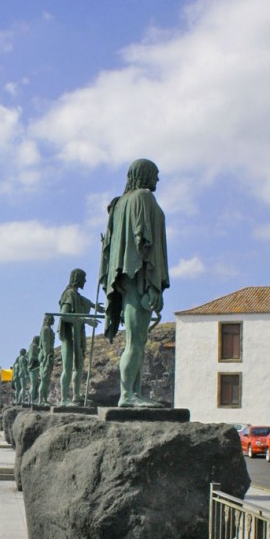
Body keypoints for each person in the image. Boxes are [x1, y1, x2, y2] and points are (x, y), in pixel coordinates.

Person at [98, 159, 169, 408]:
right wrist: (152, 284)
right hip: (139, 279)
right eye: (155, 174)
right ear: (145, 174)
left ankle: (134, 393)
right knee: (135, 341)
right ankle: (128, 395)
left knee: (135, 340)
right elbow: (144, 242)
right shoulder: (143, 198)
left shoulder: (120, 204)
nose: (158, 179)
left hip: (126, 280)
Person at [58, 268, 101, 405]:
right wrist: (85, 320)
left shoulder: (75, 294)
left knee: (78, 366)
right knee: (68, 367)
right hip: (69, 336)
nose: (85, 281)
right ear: (77, 277)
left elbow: (83, 301)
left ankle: (76, 396)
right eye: (83, 278)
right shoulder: (69, 294)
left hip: (77, 336)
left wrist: (95, 306)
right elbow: (64, 315)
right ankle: (64, 399)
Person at [37, 314, 55, 405]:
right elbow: (45, 343)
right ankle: (41, 400)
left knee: (46, 380)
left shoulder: (48, 329)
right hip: (46, 355)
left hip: (48, 354)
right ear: (48, 319)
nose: (54, 321)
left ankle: (44, 399)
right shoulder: (45, 329)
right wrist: (47, 355)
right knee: (44, 379)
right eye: (52, 319)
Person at [27, 335, 41, 406]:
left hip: (33, 367)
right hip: (33, 367)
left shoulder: (31, 346)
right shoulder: (34, 346)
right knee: (34, 384)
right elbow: (32, 357)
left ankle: (32, 399)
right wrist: (39, 360)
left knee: (34, 384)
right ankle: (32, 400)